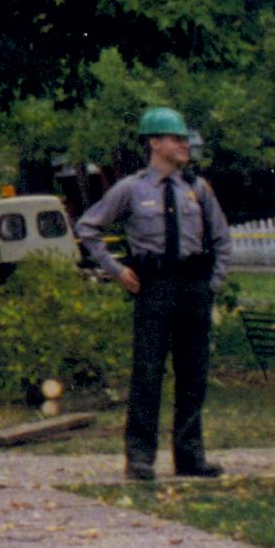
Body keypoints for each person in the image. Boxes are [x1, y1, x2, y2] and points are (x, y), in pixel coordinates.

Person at [75, 107, 232, 483]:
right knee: (147, 373)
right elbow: (88, 227)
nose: (184, 146)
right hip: (155, 286)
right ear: (154, 142)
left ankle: (190, 455)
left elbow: (222, 238)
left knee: (194, 373)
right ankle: (141, 457)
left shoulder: (197, 188)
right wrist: (115, 270)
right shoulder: (132, 189)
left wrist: (212, 284)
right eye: (176, 139)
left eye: (184, 140)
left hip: (193, 285)